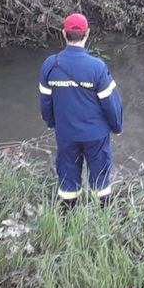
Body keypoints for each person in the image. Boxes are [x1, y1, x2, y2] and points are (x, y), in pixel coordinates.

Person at [38, 13, 123, 208]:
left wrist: (53, 123)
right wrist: (116, 127)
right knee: (101, 180)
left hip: (66, 133)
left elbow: (45, 103)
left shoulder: (50, 65)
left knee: (68, 179)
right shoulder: (97, 67)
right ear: (87, 34)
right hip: (95, 135)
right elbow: (110, 103)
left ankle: (67, 220)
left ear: (63, 34)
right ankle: (104, 218)